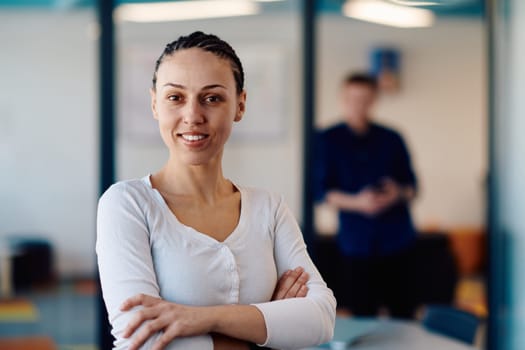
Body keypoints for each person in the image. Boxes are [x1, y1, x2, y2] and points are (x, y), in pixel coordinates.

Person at [96, 31, 336, 350]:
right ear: (155, 104)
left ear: (240, 105)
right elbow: (142, 340)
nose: (193, 116)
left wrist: (203, 320)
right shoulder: (127, 204)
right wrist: (266, 325)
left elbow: (320, 319)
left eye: (212, 98)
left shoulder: (269, 208)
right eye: (175, 97)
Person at [315, 73, 417, 318]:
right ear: (343, 99)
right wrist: (358, 203)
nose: (358, 105)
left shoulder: (392, 138)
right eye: (352, 99)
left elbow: (412, 187)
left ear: (374, 100)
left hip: (397, 238)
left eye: (364, 99)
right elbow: (320, 192)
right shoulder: (327, 139)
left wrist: (396, 194)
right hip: (356, 242)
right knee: (361, 312)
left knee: (403, 311)